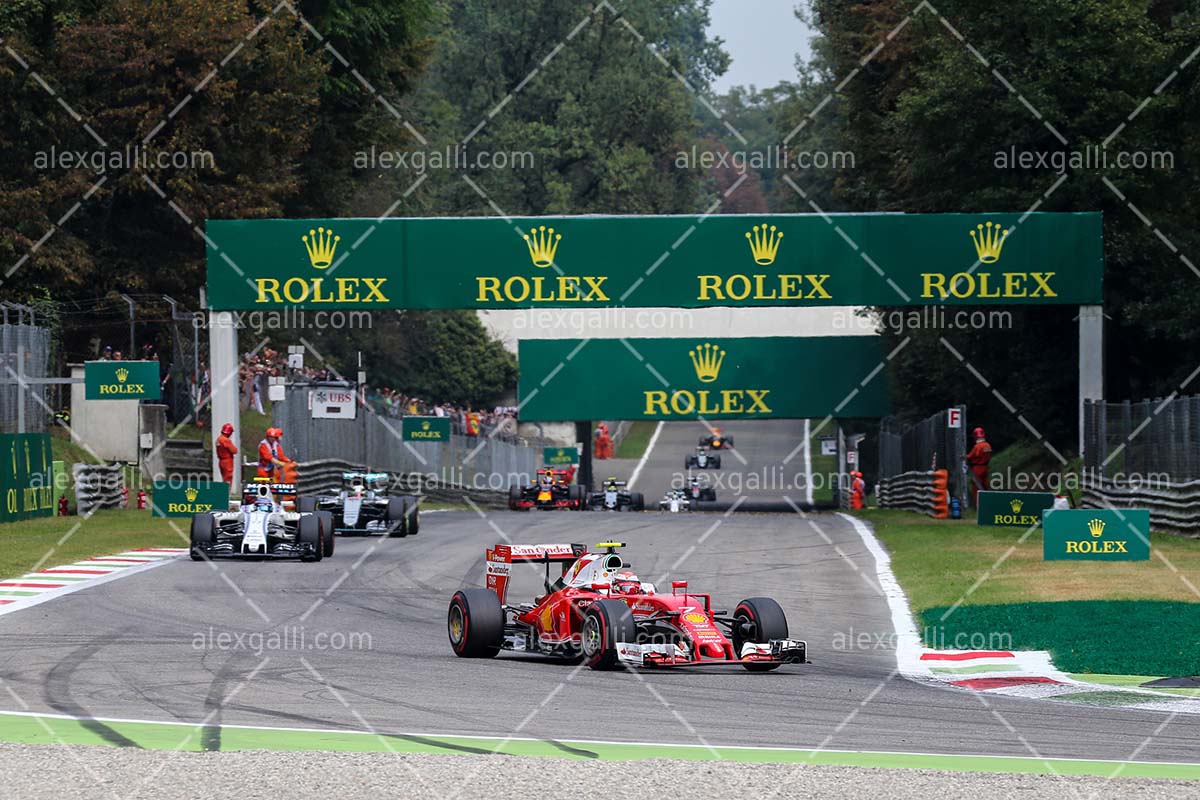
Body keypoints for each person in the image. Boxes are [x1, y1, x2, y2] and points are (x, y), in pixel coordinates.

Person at [965, 427, 993, 505]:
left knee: (976, 487)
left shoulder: (977, 447)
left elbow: (971, 456)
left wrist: (964, 457)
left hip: (977, 468)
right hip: (986, 467)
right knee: (985, 486)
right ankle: (988, 503)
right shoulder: (988, 445)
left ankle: (978, 505)